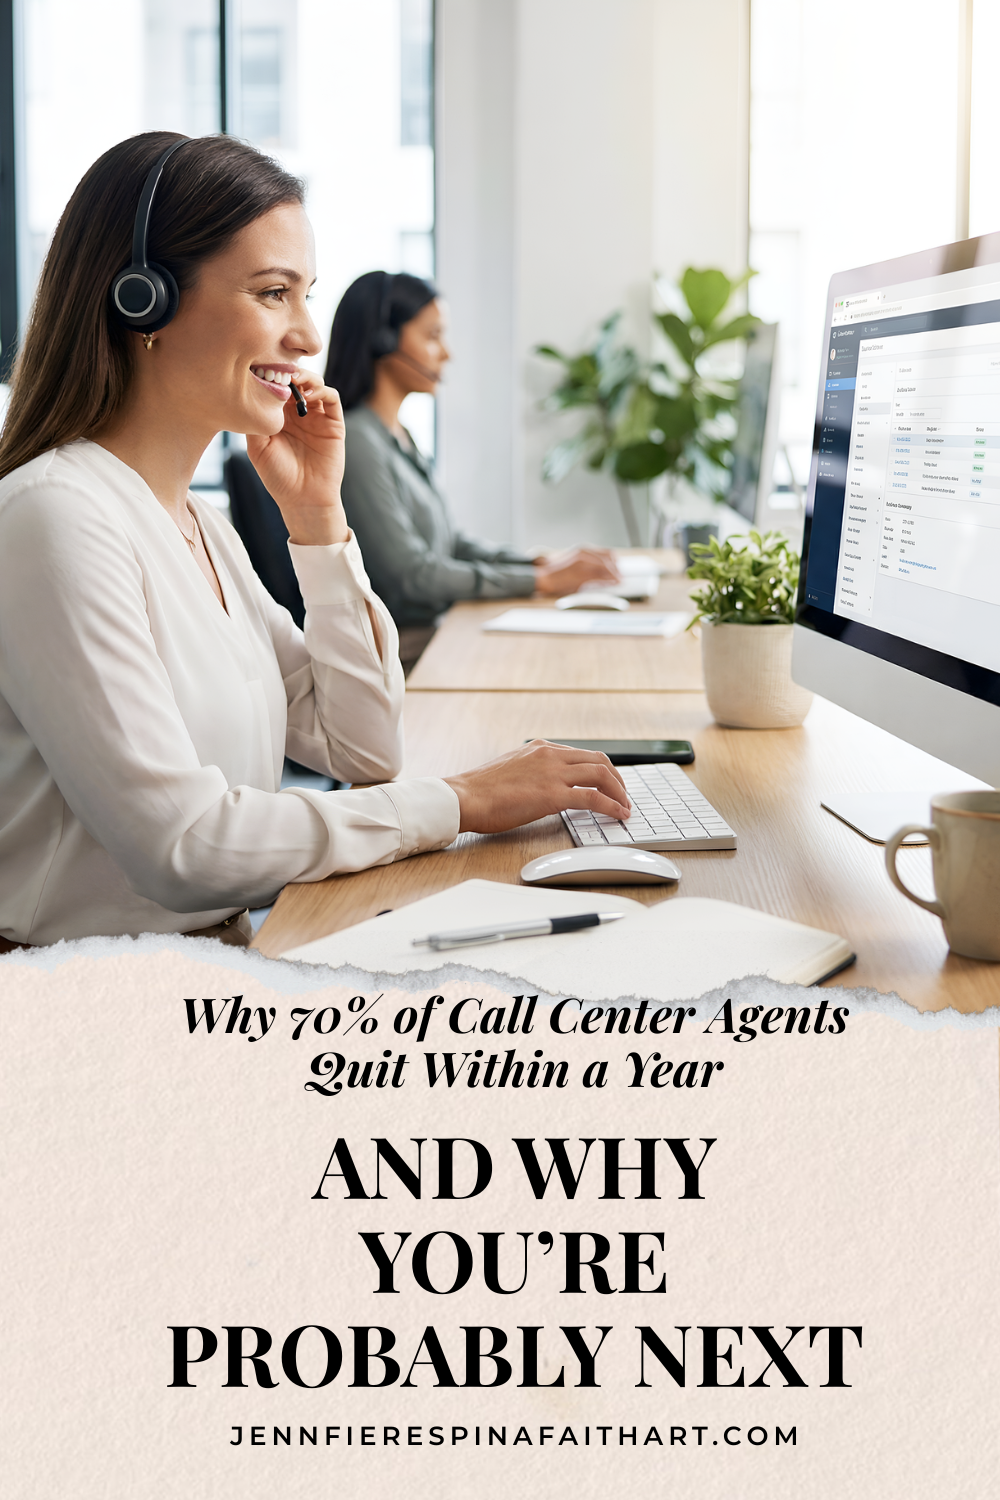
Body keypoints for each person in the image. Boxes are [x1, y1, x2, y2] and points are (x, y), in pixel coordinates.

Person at [0, 131, 630, 948]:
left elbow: (362, 747)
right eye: (272, 293)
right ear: (141, 300)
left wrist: (320, 525)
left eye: (307, 295)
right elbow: (182, 848)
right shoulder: (55, 518)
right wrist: (462, 801)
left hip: (216, 959)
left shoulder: (201, 527)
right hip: (83, 1009)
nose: (307, 336)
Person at [324, 271, 622, 671]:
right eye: (432, 336)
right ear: (384, 340)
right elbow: (411, 576)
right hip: (400, 652)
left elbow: (450, 544)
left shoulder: (397, 435)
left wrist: (537, 565)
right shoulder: (358, 440)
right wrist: (541, 582)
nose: (446, 353)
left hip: (435, 634)